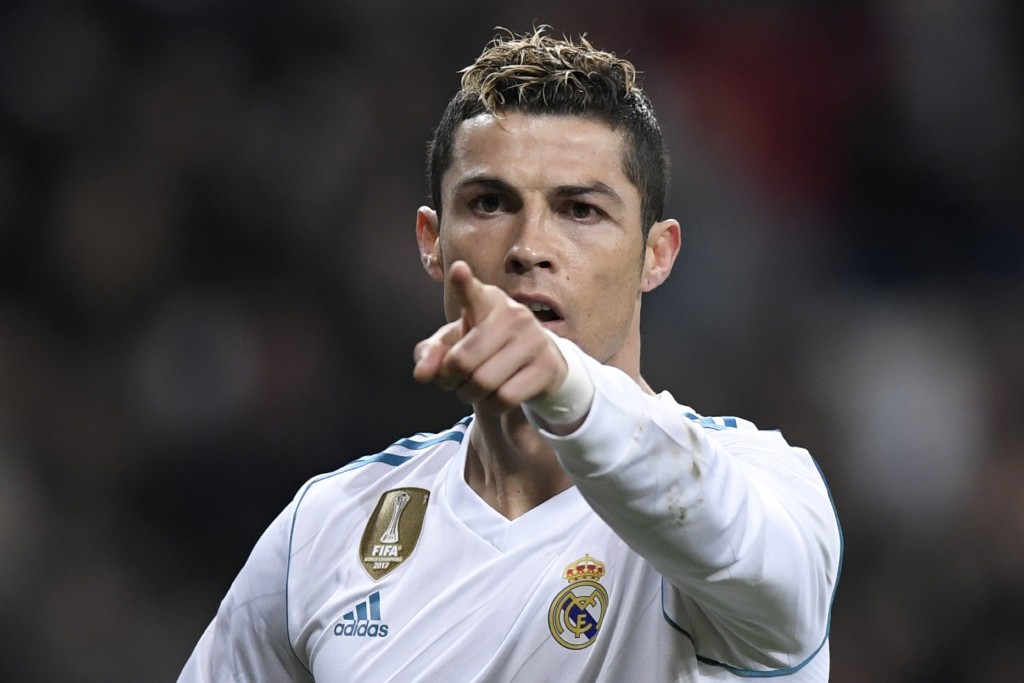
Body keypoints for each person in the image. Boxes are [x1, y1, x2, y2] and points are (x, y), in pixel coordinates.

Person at [179, 26, 842, 682]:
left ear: (656, 254)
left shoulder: (765, 489)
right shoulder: (326, 531)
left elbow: (734, 543)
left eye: (579, 210)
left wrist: (566, 386)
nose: (529, 246)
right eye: (490, 203)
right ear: (432, 243)